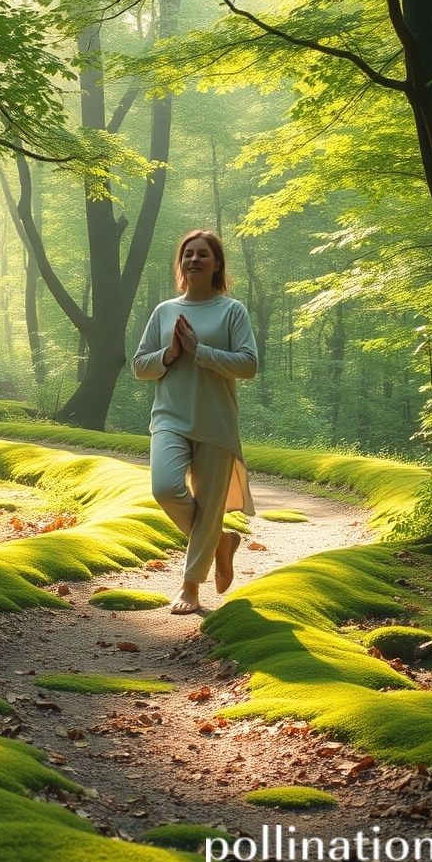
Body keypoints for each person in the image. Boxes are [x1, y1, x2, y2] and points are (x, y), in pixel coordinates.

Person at [132, 229, 257, 614]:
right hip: (169, 417)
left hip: (216, 422)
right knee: (166, 488)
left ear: (216, 264)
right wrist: (169, 354)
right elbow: (140, 366)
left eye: (203, 254)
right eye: (188, 254)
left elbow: (248, 365)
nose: (194, 260)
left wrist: (199, 351)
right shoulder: (164, 311)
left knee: (208, 505)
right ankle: (219, 541)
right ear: (180, 263)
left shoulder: (232, 310)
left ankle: (190, 588)